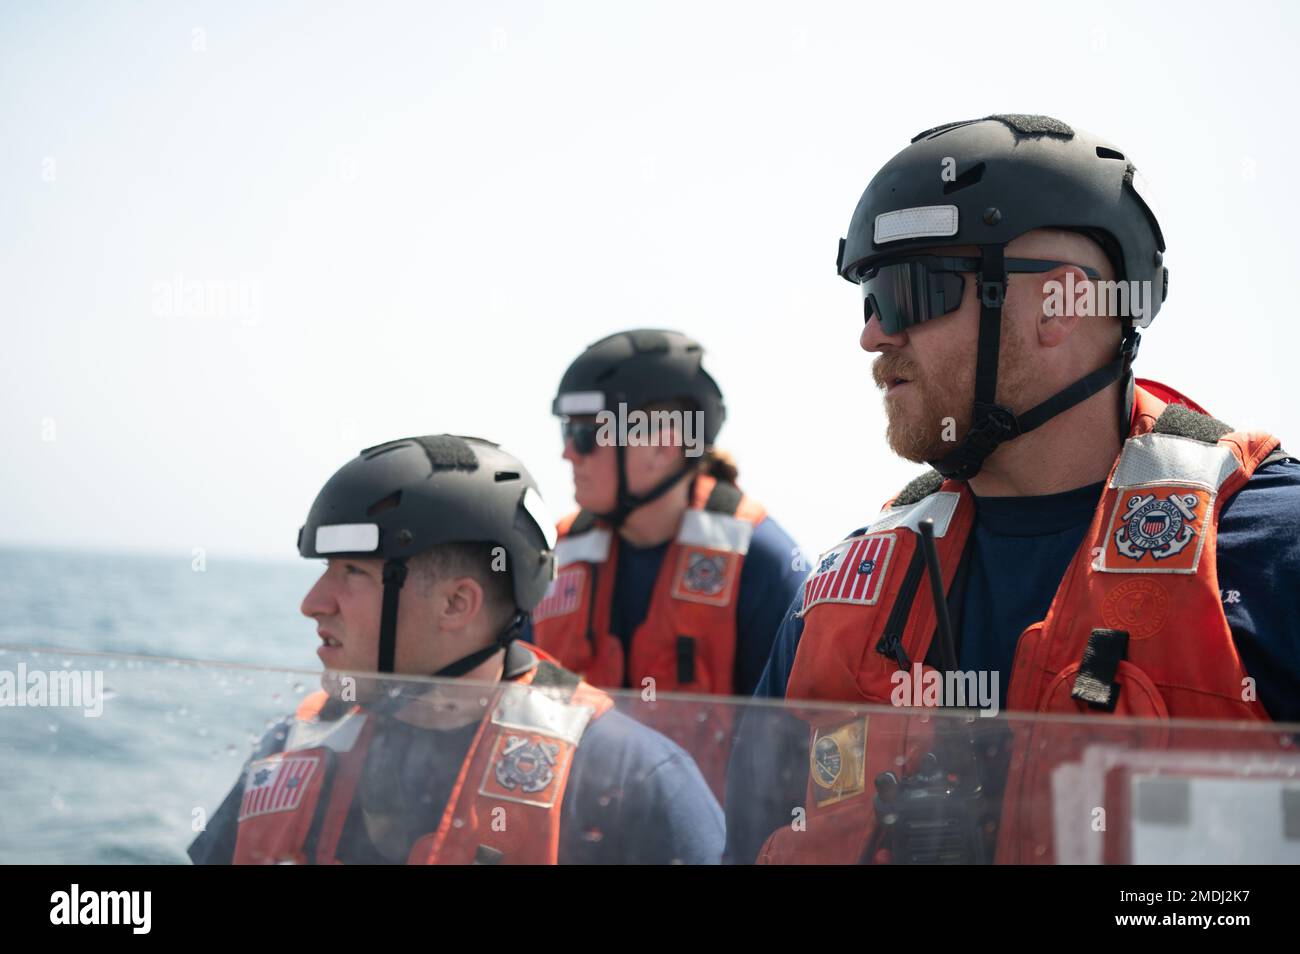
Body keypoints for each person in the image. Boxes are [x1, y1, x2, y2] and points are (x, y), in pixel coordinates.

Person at [730, 114, 1300, 864]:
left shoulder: (1270, 554)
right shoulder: (836, 597)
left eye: (909, 291)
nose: (873, 334)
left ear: (1057, 308)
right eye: (868, 297)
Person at [188, 434, 723, 865]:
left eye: (352, 571)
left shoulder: (636, 781)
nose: (312, 603)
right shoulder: (291, 745)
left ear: (456, 604)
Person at [526, 329, 805, 796]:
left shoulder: (762, 564)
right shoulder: (549, 562)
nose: (567, 452)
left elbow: (796, 753)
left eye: (586, 434)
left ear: (663, 445)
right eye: (565, 431)